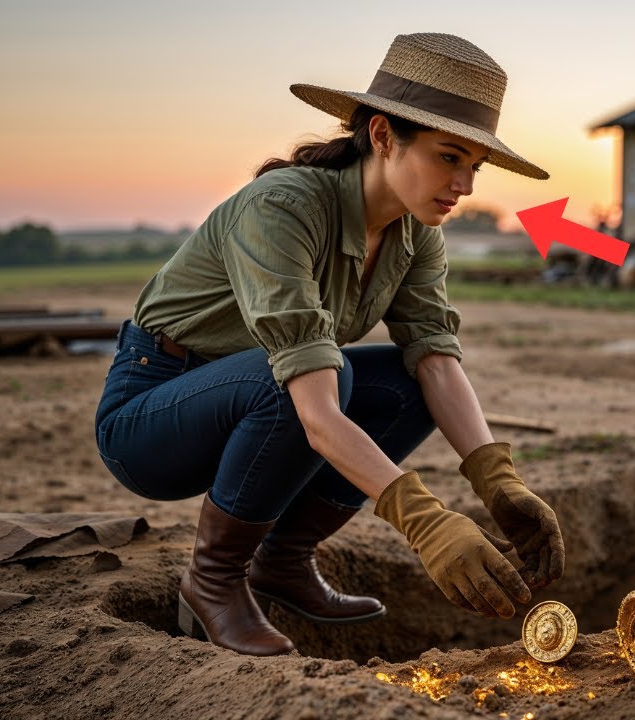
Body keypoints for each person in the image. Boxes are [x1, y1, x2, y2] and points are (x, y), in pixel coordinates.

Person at [93, 32, 565, 657]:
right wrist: (422, 522)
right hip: (153, 417)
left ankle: (283, 560)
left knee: (405, 384)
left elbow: (436, 360)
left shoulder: (414, 234)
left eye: (474, 165)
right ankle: (212, 582)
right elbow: (315, 408)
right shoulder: (282, 209)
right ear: (381, 135)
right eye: (450, 156)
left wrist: (496, 481)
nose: (467, 184)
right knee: (317, 378)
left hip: (259, 414)